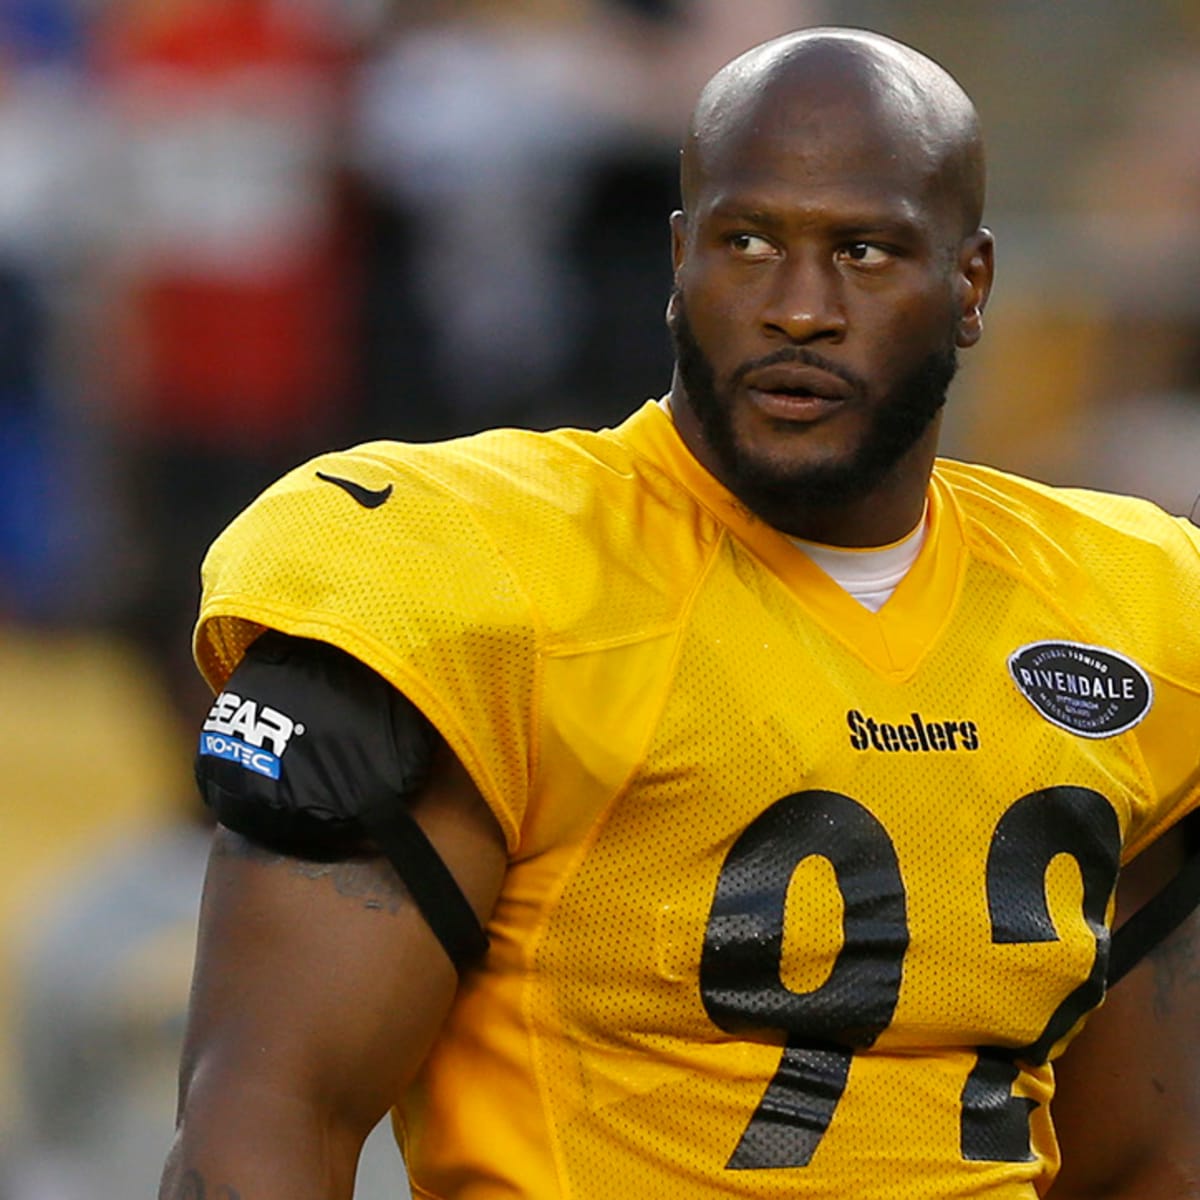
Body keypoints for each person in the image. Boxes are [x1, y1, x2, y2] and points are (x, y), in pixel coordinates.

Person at [160, 27, 1200, 1200]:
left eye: (863, 251)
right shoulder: (479, 573)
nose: (797, 309)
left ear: (968, 287)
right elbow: (265, 1118)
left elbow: (1143, 1160)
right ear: (679, 260)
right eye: (747, 242)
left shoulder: (1140, 613)